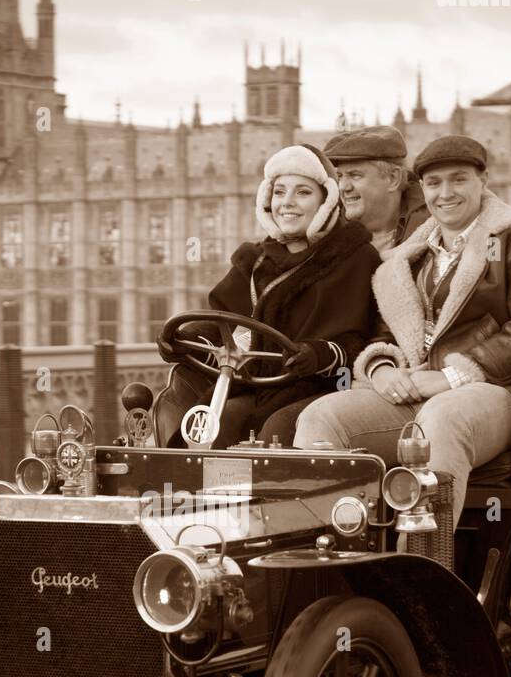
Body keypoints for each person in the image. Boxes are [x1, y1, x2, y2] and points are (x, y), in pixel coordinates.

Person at [292, 135, 511, 525]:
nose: (445, 193)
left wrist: (453, 376)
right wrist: (382, 369)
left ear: (483, 180)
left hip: (497, 391)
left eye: (458, 180)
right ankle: (332, 552)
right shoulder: (413, 253)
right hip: (416, 388)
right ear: (422, 189)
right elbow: (384, 333)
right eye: (434, 183)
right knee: (321, 417)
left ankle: (427, 562)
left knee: (442, 419)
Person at [153, 143, 380, 448]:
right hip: (255, 385)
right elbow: (223, 322)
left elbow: (357, 341)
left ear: (326, 201)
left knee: (276, 429)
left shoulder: (356, 258)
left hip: (323, 388)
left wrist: (318, 354)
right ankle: (192, 491)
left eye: (302, 192)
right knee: (208, 424)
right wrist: (184, 340)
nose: (287, 203)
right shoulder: (256, 259)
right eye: (279, 192)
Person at [323, 125, 430, 258]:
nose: (343, 187)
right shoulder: (324, 234)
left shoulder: (436, 232)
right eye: (340, 176)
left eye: (355, 175)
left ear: (393, 178)